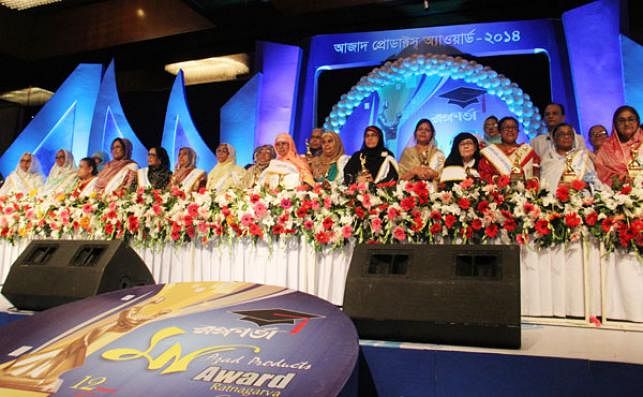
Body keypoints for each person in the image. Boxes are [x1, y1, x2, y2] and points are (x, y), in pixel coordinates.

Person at [540, 123, 601, 191]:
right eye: (561, 134)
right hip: (553, 199)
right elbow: (544, 185)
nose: (566, 137)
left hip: (580, 198)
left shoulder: (582, 157)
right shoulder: (548, 160)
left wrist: (580, 185)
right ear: (554, 139)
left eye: (569, 134)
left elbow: (594, 182)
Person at [479, 116, 540, 183]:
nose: (510, 130)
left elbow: (536, 174)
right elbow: (483, 174)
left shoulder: (528, 150)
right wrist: (498, 180)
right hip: (497, 191)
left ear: (518, 131)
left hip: (525, 192)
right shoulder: (490, 152)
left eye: (514, 128)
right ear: (499, 131)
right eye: (506, 128)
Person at [595, 105, 643, 186]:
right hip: (617, 194)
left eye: (631, 119)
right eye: (621, 120)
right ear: (615, 124)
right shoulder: (606, 148)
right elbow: (602, 175)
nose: (627, 123)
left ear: (637, 122)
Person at [399, 119, 445, 189]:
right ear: (415, 133)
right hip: (411, 194)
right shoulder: (407, 152)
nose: (423, 132)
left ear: (432, 134)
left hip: (434, 195)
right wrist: (414, 171)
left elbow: (445, 178)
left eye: (427, 130)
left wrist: (433, 173)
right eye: (420, 129)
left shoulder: (438, 154)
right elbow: (400, 178)